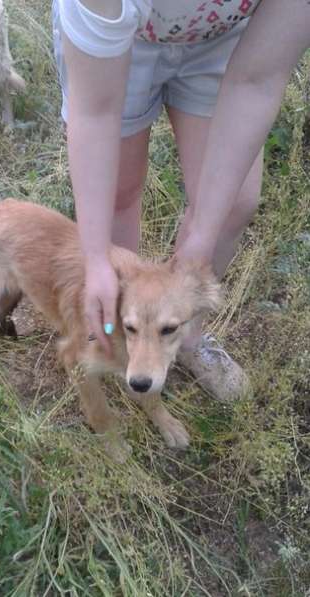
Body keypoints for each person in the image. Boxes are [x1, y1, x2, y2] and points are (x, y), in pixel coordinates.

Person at [53, 0, 310, 401]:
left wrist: (204, 235)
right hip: (123, 42)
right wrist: (97, 260)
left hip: (227, 41)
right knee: (118, 193)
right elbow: (97, 112)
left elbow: (256, 80)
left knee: (233, 205)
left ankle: (184, 338)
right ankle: (125, 339)